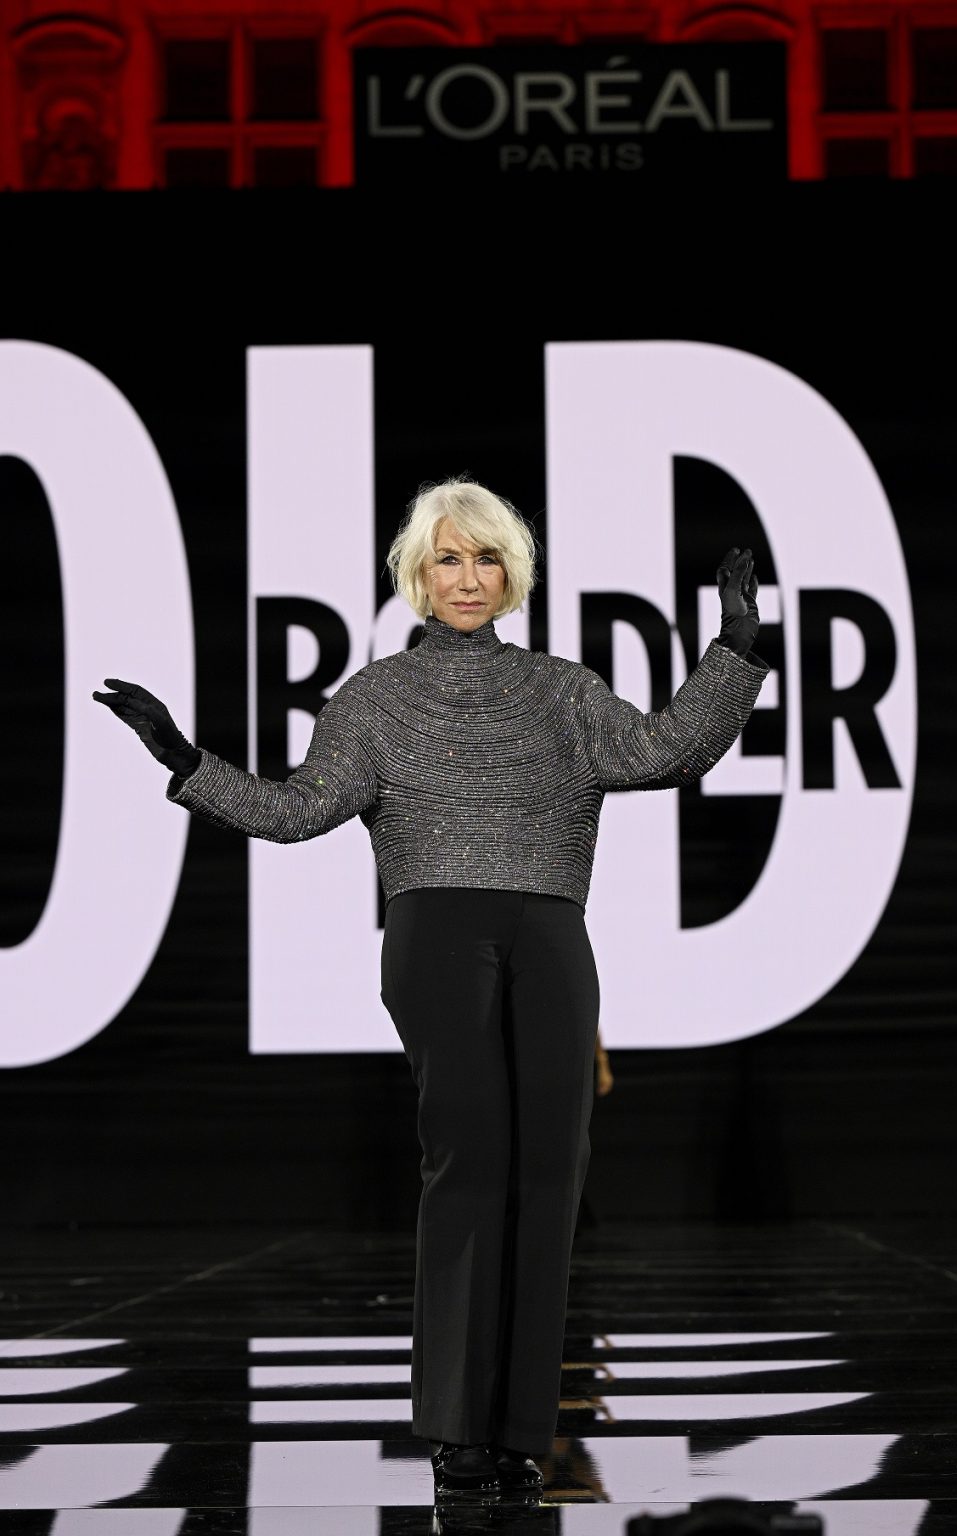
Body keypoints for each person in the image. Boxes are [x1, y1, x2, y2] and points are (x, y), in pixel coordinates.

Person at [93, 477, 769, 1503]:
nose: (467, 577)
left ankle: (520, 1431)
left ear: (513, 575)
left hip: (551, 933)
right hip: (436, 933)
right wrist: (184, 760)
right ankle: (458, 1430)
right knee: (469, 1167)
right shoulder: (375, 698)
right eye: (447, 558)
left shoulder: (562, 689)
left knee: (553, 1175)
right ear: (416, 574)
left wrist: (735, 648)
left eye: (486, 557)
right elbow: (295, 812)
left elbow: (668, 753)